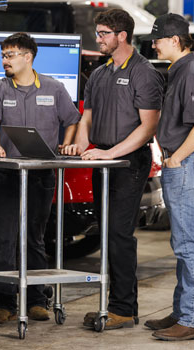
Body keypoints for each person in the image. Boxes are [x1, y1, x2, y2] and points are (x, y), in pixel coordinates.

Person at [61, 9, 164, 330]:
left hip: (129, 163)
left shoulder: (143, 73)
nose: (98, 39)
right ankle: (115, 305)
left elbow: (147, 128)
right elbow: (86, 118)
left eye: (104, 33)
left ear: (122, 36)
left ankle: (123, 308)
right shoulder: (101, 73)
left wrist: (109, 154)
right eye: (99, 32)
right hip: (104, 161)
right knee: (106, 234)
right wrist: (81, 145)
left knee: (119, 235)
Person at [0, 32, 80, 323]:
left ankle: (38, 300)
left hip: (41, 174)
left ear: (28, 57)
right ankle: (4, 302)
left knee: (35, 238)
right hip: (8, 174)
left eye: (10, 55)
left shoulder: (54, 87)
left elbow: (72, 119)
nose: (4, 61)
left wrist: (67, 144)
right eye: (2, 55)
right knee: (4, 238)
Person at [141, 13, 194, 341]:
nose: (153, 44)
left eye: (157, 39)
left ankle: (192, 320)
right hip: (182, 165)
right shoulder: (180, 71)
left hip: (187, 165)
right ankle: (181, 310)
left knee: (188, 245)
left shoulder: (193, 73)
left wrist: (176, 159)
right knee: (181, 243)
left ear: (175, 40)